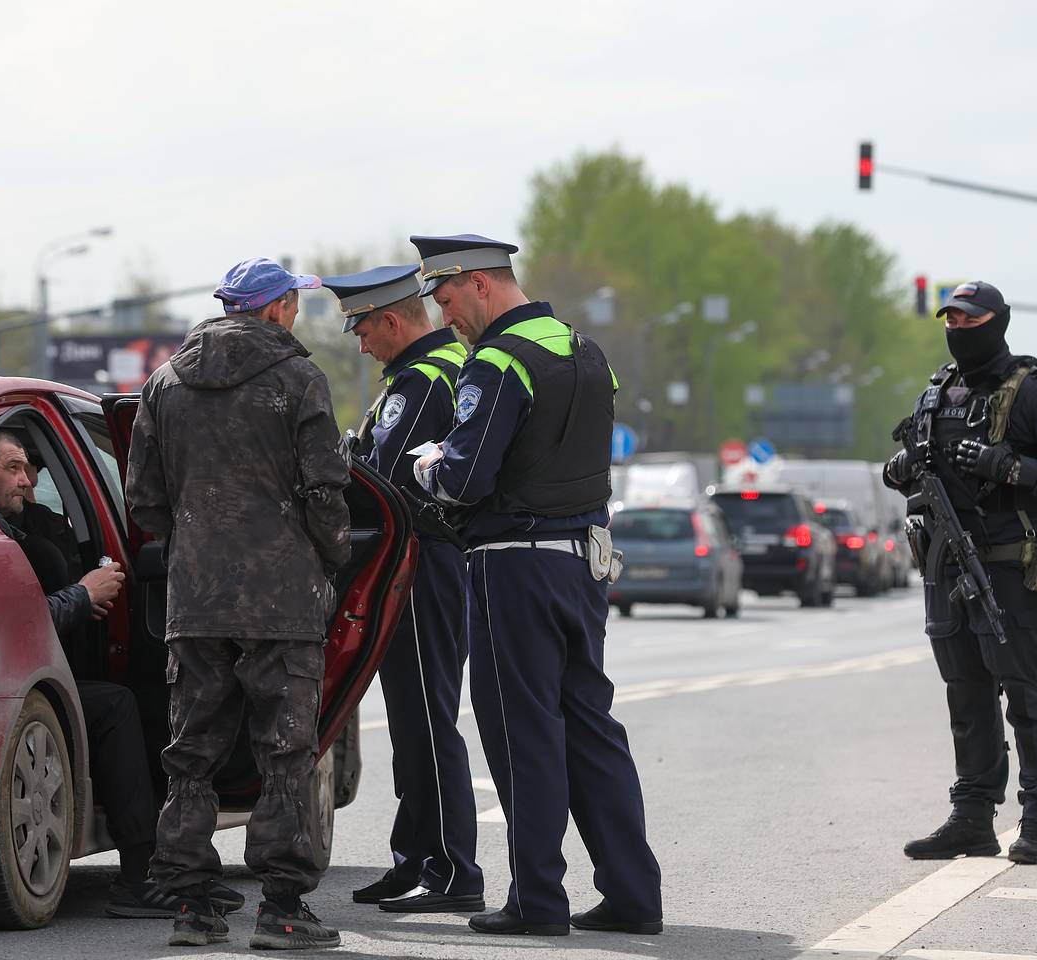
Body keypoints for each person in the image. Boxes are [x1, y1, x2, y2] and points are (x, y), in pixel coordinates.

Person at [410, 234, 663, 937]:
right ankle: (634, 894)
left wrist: (429, 461)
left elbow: (463, 478)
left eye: (448, 297)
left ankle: (536, 901)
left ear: (480, 284)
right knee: (590, 727)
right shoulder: (585, 352)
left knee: (525, 735)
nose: (445, 315)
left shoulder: (497, 362)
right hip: (582, 560)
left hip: (513, 564)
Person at [126, 257, 351, 950]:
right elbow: (324, 489)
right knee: (286, 752)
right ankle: (282, 909)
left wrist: (197, 548)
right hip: (281, 600)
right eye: (294, 303)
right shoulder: (297, 379)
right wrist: (331, 555)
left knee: (191, 752)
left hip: (195, 600)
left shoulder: (162, 384)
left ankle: (192, 908)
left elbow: (144, 500)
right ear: (277, 308)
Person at [0, 430, 246, 918]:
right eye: (13, 467)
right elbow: (10, 632)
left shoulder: (22, 529)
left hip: (4, 686)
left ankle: (178, 867)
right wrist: (81, 595)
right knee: (115, 705)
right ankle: (140, 874)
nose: (28, 479)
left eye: (30, 467)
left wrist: (81, 598)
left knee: (148, 702)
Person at [885, 281, 1037, 865]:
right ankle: (973, 819)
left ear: (997, 323)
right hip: (946, 566)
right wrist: (903, 468)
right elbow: (912, 467)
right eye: (950, 321)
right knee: (968, 696)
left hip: (1010, 569)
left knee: (1029, 697)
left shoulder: (1034, 394)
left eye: (969, 320)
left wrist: (1012, 468)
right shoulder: (939, 394)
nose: (958, 330)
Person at [319, 265, 484, 914]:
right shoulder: (421, 375)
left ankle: (451, 871)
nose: (359, 343)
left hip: (423, 563)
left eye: (361, 328)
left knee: (426, 720)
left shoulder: (425, 380)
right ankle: (414, 857)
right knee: (412, 720)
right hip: (415, 563)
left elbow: (382, 479)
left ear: (390, 321)